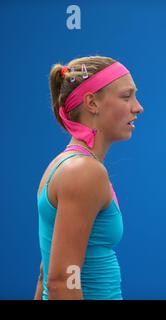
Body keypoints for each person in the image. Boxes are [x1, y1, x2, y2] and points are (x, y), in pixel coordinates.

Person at [34, 56, 144, 300]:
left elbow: (46, 274)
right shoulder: (84, 172)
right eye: (126, 97)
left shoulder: (66, 166)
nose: (138, 107)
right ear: (92, 103)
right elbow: (61, 281)